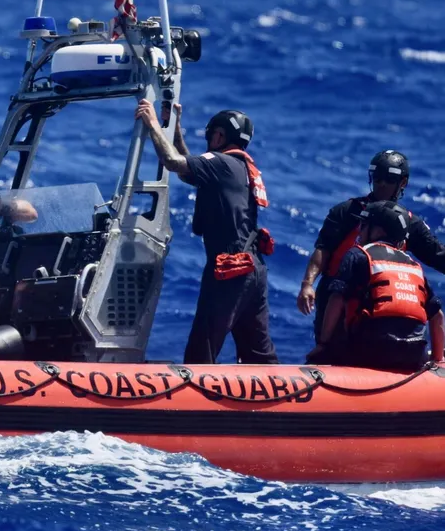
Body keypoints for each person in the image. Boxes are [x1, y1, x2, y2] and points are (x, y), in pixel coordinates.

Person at [135, 101, 278, 364]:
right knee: (259, 357)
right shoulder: (238, 167)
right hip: (253, 270)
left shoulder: (221, 163)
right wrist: (176, 128)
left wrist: (152, 122)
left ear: (220, 135)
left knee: (201, 353)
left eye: (211, 134)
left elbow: (172, 161)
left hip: (230, 270)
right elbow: (190, 173)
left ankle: (191, 402)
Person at [297, 150, 445, 342]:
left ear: (403, 183)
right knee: (329, 353)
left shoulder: (409, 223)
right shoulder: (346, 212)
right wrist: (307, 284)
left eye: (389, 179)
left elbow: (438, 256)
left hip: (378, 305)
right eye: (377, 177)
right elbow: (323, 249)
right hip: (336, 297)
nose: (381, 183)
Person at [308, 201, 445, 370]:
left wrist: (323, 344)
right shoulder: (414, 266)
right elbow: (437, 316)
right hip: (415, 354)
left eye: (364, 225)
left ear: (379, 230)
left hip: (373, 351)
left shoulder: (357, 255)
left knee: (324, 355)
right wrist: (438, 360)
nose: (359, 231)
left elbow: (336, 300)